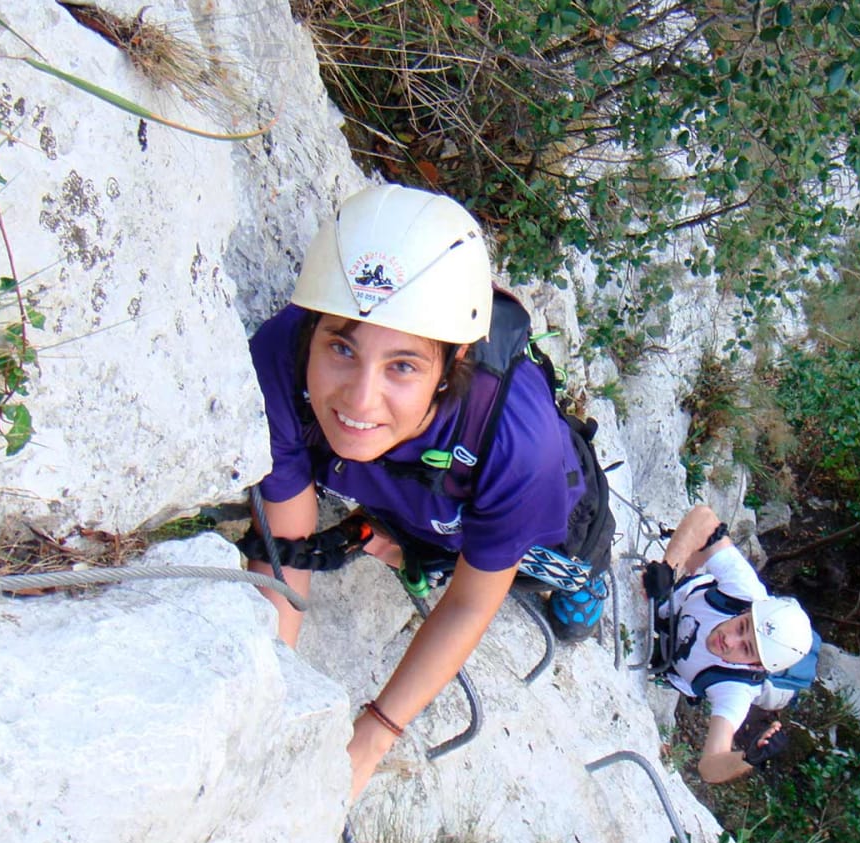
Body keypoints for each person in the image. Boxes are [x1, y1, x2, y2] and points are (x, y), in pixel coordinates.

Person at [244, 183, 612, 801]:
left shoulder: (518, 448)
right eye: (342, 347)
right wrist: (267, 693)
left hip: (560, 520)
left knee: (565, 574)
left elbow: (471, 603)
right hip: (428, 502)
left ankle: (586, 587)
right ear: (313, 327)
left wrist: (373, 737)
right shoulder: (281, 357)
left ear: (453, 361)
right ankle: (407, 544)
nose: (360, 399)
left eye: (403, 365)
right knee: (427, 539)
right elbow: (286, 537)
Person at [647, 504, 815, 783]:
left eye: (746, 648)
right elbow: (705, 519)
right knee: (700, 552)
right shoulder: (746, 592)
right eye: (742, 626)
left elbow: (709, 767)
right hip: (675, 599)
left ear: (756, 666)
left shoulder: (736, 690)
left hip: (663, 654)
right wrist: (668, 568)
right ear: (747, 611)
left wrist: (748, 758)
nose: (729, 639)